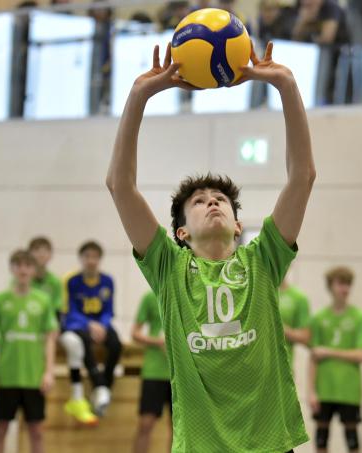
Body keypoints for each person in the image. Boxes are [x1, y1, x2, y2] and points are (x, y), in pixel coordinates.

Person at [106, 41, 315, 452]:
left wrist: (287, 86)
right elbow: (120, 185)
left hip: (270, 443)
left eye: (220, 200)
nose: (212, 203)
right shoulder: (169, 269)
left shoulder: (263, 260)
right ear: (182, 233)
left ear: (237, 226)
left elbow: (302, 176)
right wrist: (139, 95)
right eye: (199, 202)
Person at [0, 250, 57, 453]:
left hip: (33, 377)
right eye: (18, 265)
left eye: (27, 265)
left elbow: (50, 337)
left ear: (34, 270)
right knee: (0, 430)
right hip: (6, 376)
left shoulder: (43, 300)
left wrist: (49, 372)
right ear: (11, 269)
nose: (23, 270)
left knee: (36, 431)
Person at [308, 266, 362, 453]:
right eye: (341, 283)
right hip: (324, 389)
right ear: (330, 286)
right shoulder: (319, 318)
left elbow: (361, 355)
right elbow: (313, 357)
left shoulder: (359, 317)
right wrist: (311, 391)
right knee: (321, 438)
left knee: (352, 439)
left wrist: (329, 352)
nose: (345, 288)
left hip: (349, 390)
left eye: (348, 284)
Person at [59, 240, 121, 423]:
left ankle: (104, 387)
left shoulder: (107, 281)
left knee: (116, 344)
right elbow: (69, 310)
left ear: (100, 259)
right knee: (83, 339)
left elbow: (109, 310)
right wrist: (89, 324)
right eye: (87, 256)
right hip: (78, 324)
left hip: (101, 324)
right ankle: (99, 385)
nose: (91, 261)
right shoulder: (72, 281)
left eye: (95, 257)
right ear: (81, 258)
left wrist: (102, 325)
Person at [131, 291, 172, 453]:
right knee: (145, 424)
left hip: (181, 374)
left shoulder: (188, 294)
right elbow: (135, 333)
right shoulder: (150, 297)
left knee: (179, 428)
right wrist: (159, 342)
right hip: (154, 371)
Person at [27, 236, 63, 320]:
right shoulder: (21, 280)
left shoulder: (55, 281)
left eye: (45, 250)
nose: (41, 254)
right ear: (29, 254)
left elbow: (57, 308)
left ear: (51, 255)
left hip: (47, 322)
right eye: (37, 250)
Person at [279, 276, 311, 363]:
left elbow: (305, 336)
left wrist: (278, 327)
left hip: (283, 363)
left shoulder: (298, 297)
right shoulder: (257, 294)